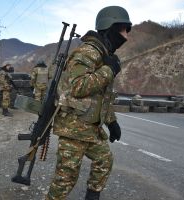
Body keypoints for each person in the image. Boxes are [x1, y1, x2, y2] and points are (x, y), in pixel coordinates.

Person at [46, 6, 132, 200]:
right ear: (109, 26)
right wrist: (108, 71)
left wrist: (111, 122)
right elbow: (77, 87)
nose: (126, 36)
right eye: (123, 29)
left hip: (91, 128)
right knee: (65, 179)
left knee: (104, 162)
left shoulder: (104, 55)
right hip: (74, 128)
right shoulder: (87, 52)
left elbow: (102, 97)